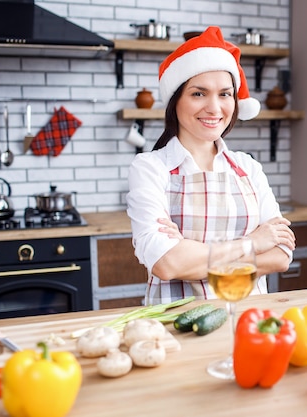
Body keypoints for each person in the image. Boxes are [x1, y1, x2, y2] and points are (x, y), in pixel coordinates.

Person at [126, 26, 296, 304]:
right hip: (177, 323)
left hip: (248, 319)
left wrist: (191, 252)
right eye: (198, 94)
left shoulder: (247, 167)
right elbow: (167, 264)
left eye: (225, 94)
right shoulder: (150, 168)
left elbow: (280, 256)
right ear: (175, 101)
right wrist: (252, 242)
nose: (215, 108)